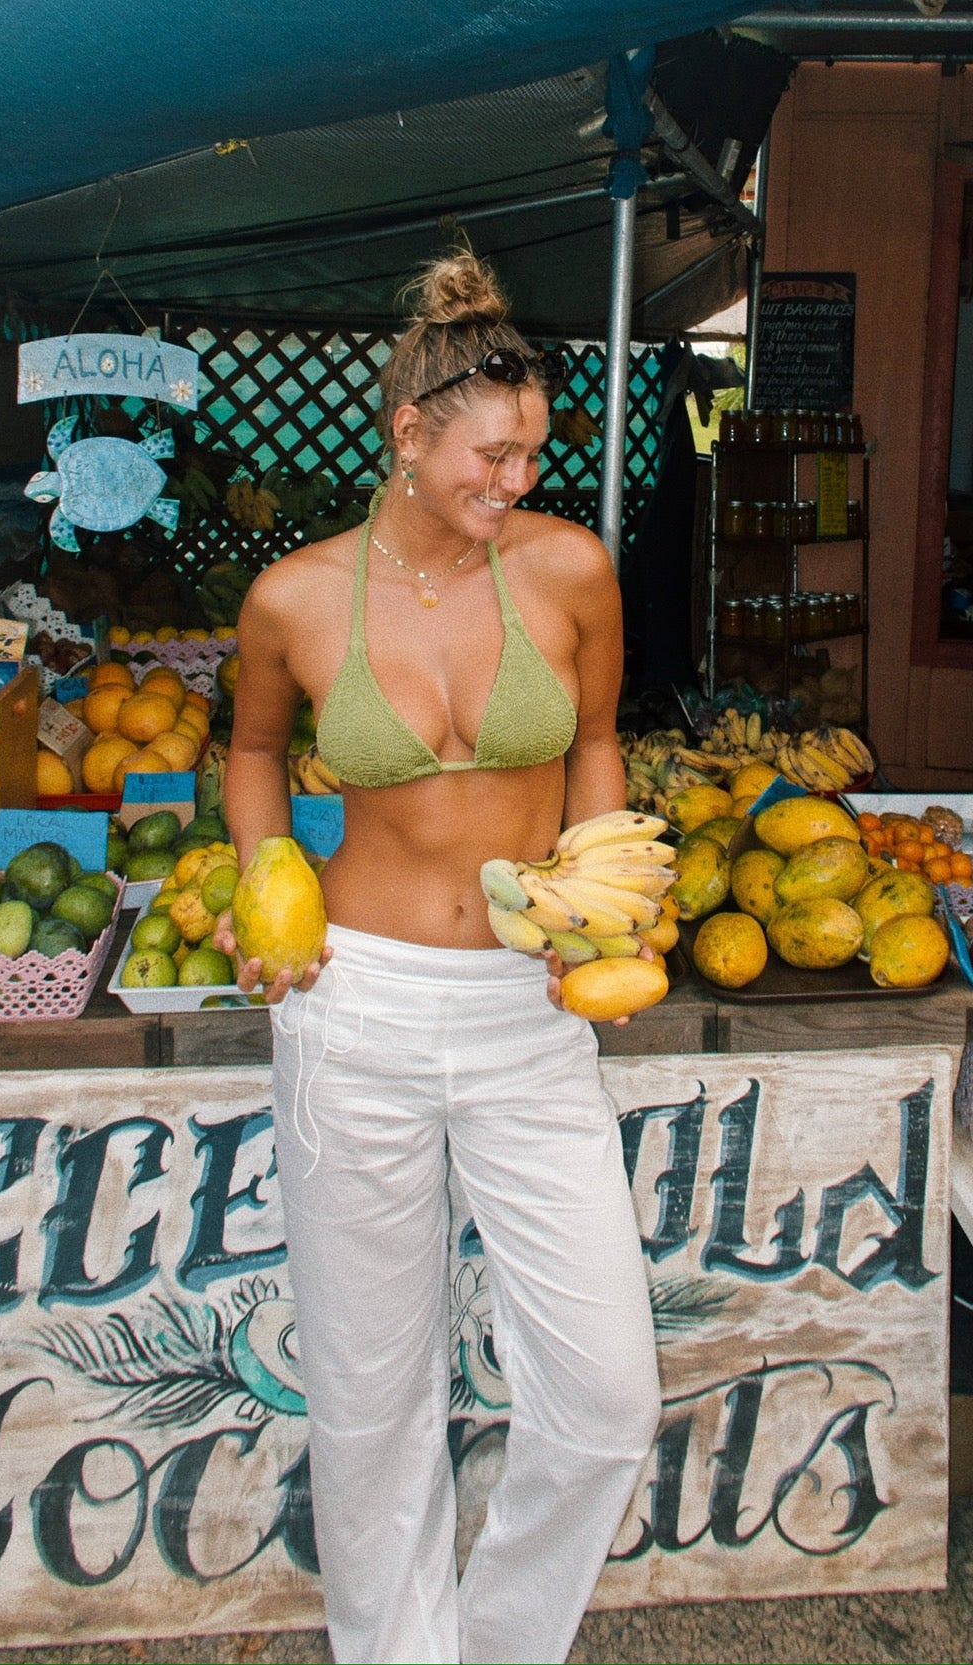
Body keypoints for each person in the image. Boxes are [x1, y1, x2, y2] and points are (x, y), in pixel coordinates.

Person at [216, 251, 660, 1665]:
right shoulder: (293, 597)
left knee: (605, 1395)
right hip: (357, 1007)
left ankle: (502, 1642)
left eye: (532, 451)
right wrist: (261, 876)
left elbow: (593, 743)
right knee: (369, 1389)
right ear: (405, 436)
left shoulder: (570, 569)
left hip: (530, 1011)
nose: (516, 479)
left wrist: (602, 891)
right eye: (490, 453)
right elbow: (253, 755)